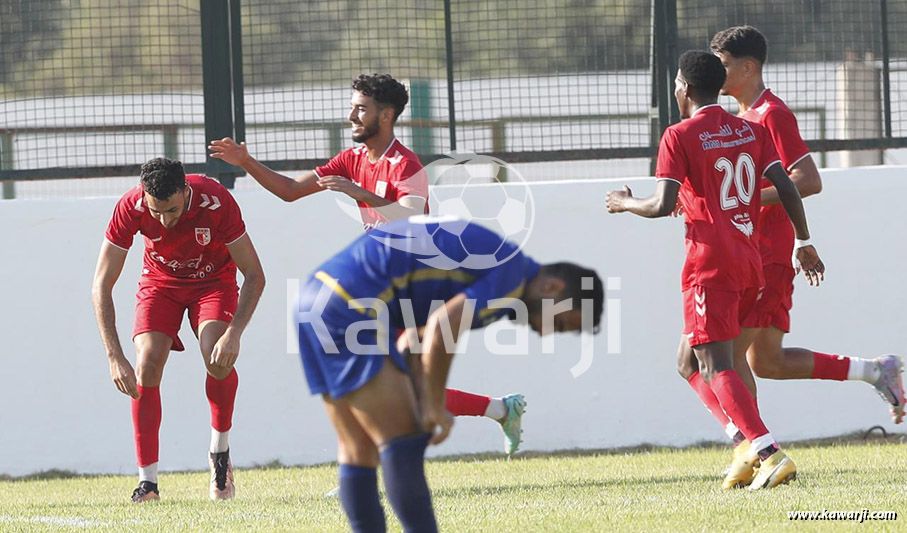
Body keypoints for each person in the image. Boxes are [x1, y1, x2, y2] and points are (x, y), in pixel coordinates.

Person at [208, 73, 526, 455]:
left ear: (386, 115)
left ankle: (364, 467)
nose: (351, 116)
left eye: (361, 108)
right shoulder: (351, 158)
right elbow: (290, 191)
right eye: (352, 106)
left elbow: (411, 219)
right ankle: (500, 409)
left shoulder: (406, 165)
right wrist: (247, 162)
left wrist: (361, 194)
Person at [293, 216, 604, 531]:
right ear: (554, 287)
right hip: (351, 305)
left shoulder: (501, 271)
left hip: (316, 297)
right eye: (561, 323)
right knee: (405, 439)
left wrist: (418, 387)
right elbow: (443, 327)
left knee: (358, 448)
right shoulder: (512, 274)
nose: (547, 333)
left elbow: (416, 337)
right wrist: (431, 403)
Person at [606, 50, 825, 490]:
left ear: (684, 88)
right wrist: (804, 238)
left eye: (675, 85)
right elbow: (784, 185)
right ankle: (743, 444)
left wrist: (624, 202)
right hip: (750, 260)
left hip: (710, 263)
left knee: (715, 362)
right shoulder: (749, 128)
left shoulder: (679, 134)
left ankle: (767, 452)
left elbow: (660, 204)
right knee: (688, 360)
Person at [706, 25, 905, 484]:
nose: (718, 72)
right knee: (765, 362)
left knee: (727, 358)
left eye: (724, 64)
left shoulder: (772, 114)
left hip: (767, 258)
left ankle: (753, 451)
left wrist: (750, 202)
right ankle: (876, 370)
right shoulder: (738, 118)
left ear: (748, 67)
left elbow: (808, 179)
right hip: (756, 254)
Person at [91, 158, 265, 502]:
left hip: (213, 283)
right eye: (156, 212)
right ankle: (148, 483)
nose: (164, 220)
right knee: (147, 364)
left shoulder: (215, 200)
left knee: (215, 356)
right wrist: (113, 355)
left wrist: (235, 332)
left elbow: (255, 275)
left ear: (186, 192)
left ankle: (220, 453)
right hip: (160, 284)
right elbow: (101, 284)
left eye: (171, 210)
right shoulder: (131, 206)